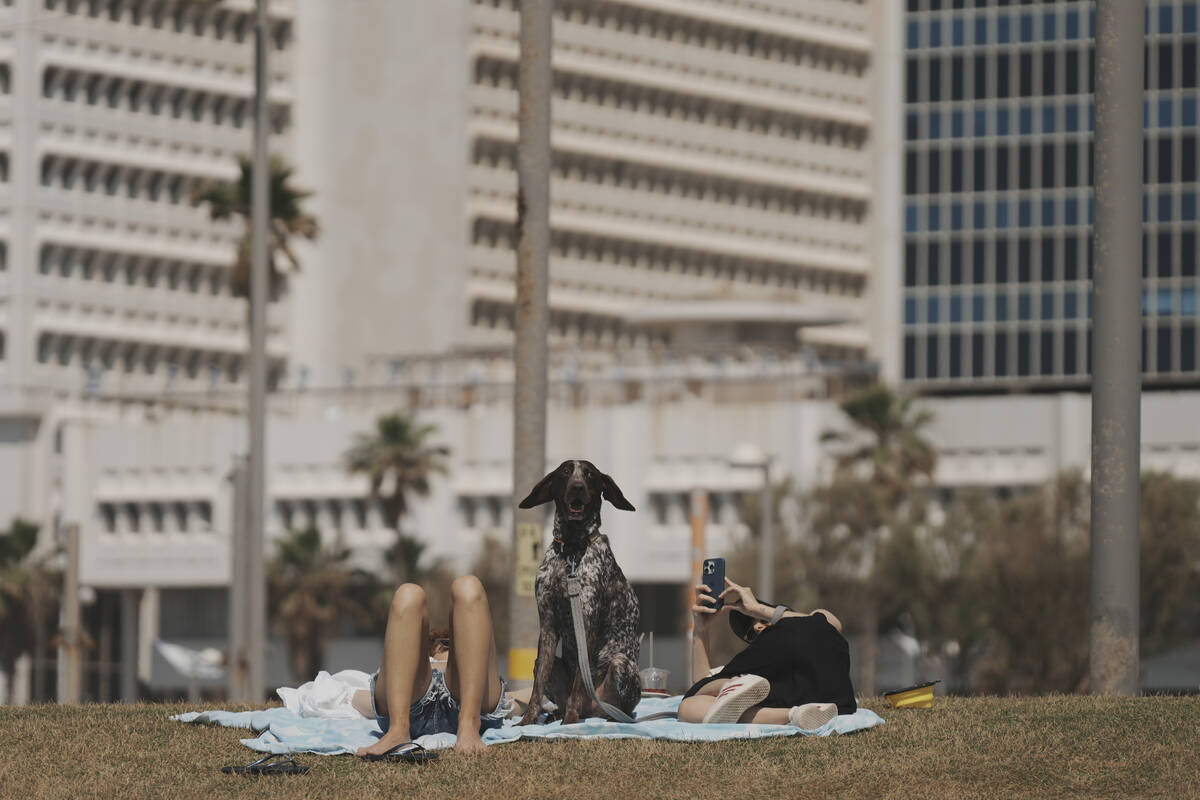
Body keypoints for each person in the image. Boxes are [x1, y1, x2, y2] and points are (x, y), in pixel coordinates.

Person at [351, 575, 513, 757]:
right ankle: (398, 730)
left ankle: (469, 723)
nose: (448, 646)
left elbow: (520, 700)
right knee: (408, 593)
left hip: (471, 701)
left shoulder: (466, 661)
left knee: (468, 586)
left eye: (451, 643)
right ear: (429, 648)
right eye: (443, 643)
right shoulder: (411, 664)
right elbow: (357, 700)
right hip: (408, 704)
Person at [678, 575, 857, 729]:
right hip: (829, 701)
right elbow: (700, 685)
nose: (756, 626)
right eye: (751, 632)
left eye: (764, 622)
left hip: (809, 669)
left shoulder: (802, 629)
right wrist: (701, 628)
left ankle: (732, 684)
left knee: (690, 704)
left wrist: (759, 609)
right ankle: (796, 715)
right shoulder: (758, 665)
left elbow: (831, 624)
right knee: (692, 706)